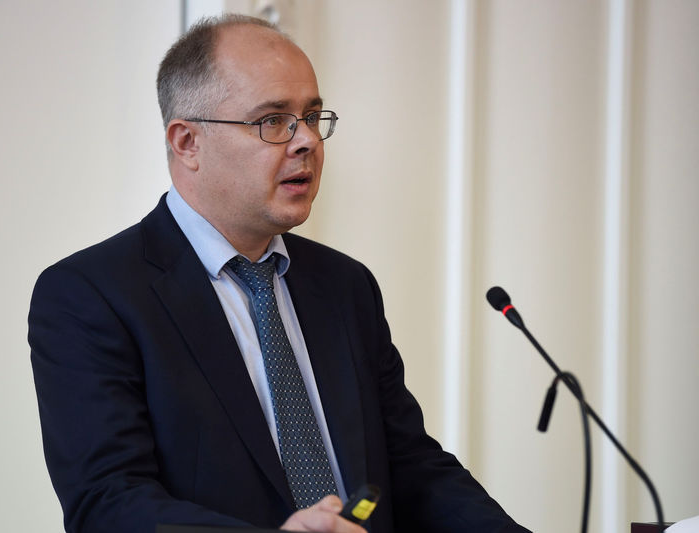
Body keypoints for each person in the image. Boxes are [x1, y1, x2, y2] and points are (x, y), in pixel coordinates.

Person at [29, 14, 531, 533]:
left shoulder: (345, 286)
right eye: (273, 121)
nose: (306, 142)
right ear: (186, 143)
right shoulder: (91, 294)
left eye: (312, 117)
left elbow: (409, 466)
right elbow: (108, 503)